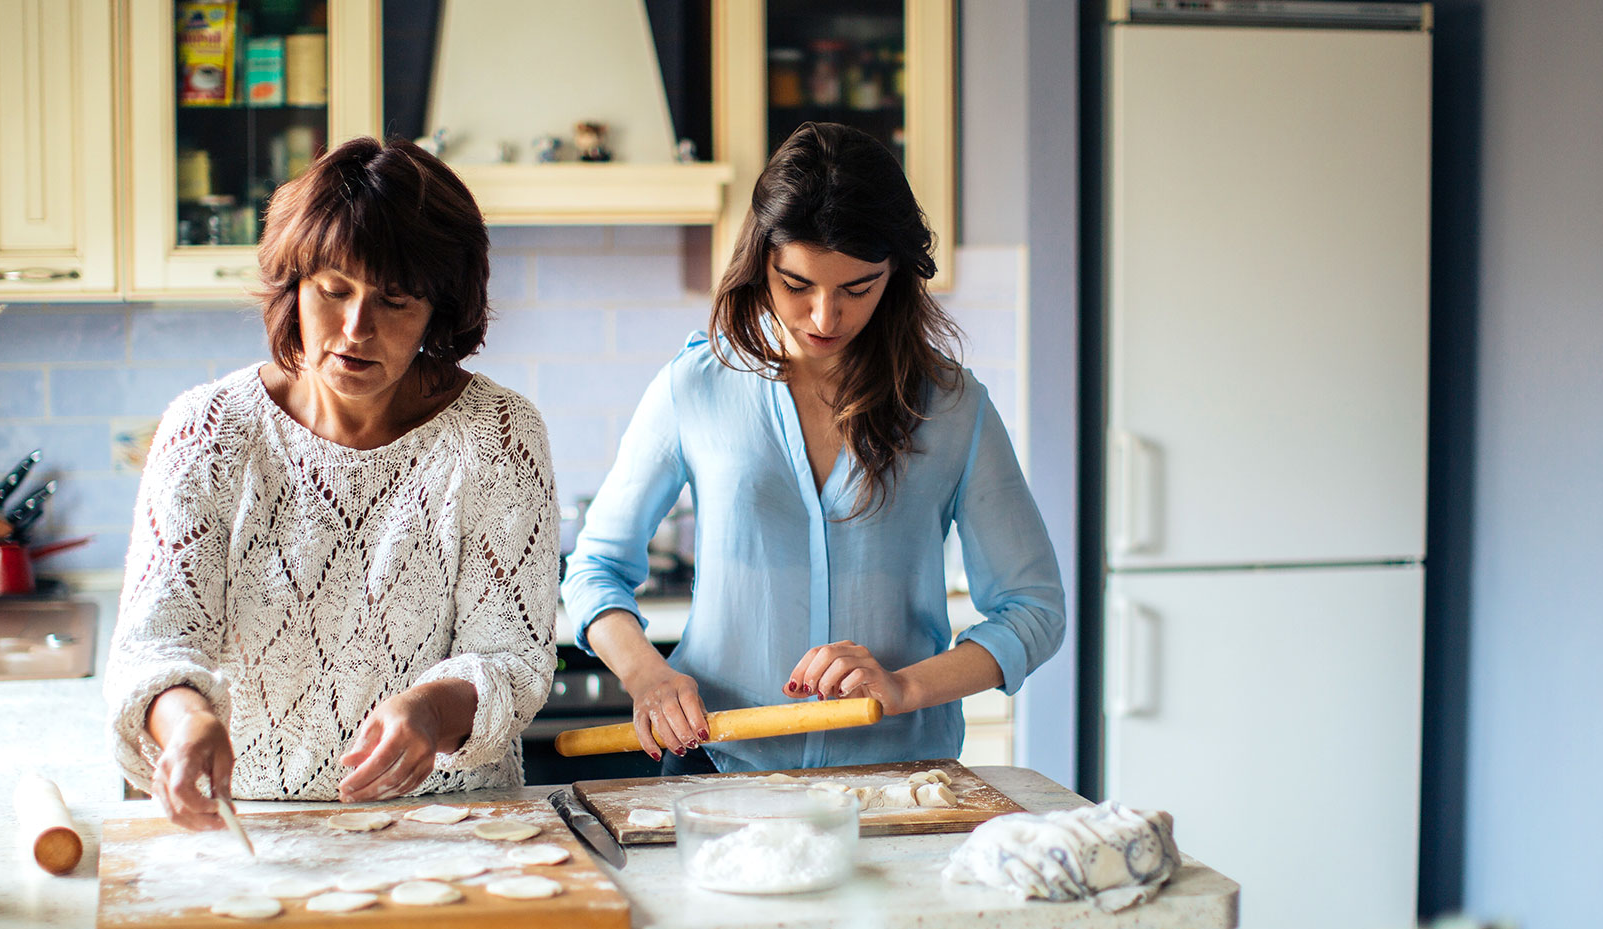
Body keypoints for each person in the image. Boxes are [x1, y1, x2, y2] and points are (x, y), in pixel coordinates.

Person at [562, 122, 1064, 775]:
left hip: (899, 784)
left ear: (897, 275)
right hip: (719, 773)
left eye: (858, 288)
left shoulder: (952, 405)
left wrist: (905, 688)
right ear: (760, 261)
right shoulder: (695, 386)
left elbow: (1035, 610)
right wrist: (646, 675)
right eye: (797, 284)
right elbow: (594, 568)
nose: (825, 318)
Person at [105, 137, 557, 830]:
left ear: (439, 308)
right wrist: (187, 722)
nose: (355, 329)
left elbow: (514, 659)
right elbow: (154, 644)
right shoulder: (209, 432)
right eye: (333, 290)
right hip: (252, 828)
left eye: (396, 301)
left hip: (449, 829)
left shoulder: (497, 434)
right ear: (295, 286)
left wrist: (433, 710)